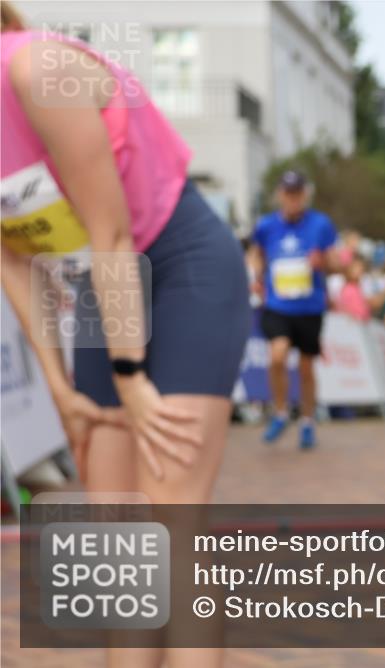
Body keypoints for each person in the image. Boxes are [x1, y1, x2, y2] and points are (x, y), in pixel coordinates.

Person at [1, 5, 249, 666]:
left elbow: (113, 236)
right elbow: (15, 260)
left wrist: (130, 375)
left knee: (172, 516)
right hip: (98, 289)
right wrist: (59, 387)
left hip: (177, 266)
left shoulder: (38, 66)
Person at [248, 170, 339, 450]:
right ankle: (280, 412)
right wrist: (256, 275)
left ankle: (308, 421)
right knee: (277, 355)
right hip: (278, 306)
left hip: (310, 307)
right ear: (279, 195)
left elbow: (337, 263)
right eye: (288, 193)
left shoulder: (321, 224)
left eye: (297, 193)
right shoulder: (265, 226)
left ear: (305, 195)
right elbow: (255, 252)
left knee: (306, 367)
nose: (293, 199)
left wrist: (322, 261)